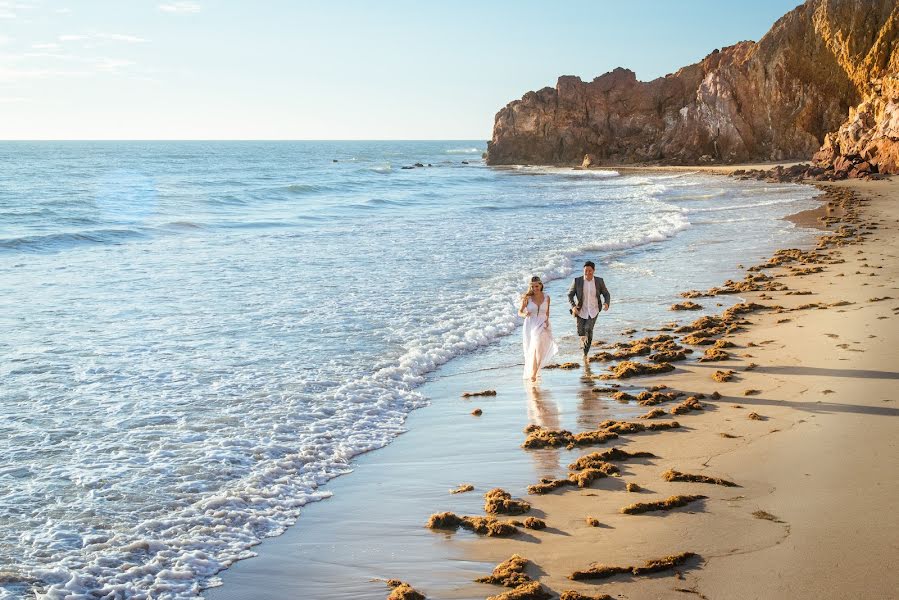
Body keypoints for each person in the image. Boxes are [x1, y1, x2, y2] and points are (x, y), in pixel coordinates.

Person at [567, 260, 611, 357]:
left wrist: (606, 303)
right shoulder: (577, 281)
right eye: (585, 270)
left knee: (588, 329)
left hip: (594, 309)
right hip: (580, 310)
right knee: (580, 331)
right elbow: (570, 295)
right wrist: (573, 307)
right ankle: (583, 342)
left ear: (594, 270)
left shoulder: (599, 281)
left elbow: (606, 293)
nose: (587, 273)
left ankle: (585, 352)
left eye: (590, 270)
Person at [519, 276, 559, 381]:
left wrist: (547, 322)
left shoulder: (547, 297)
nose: (535, 288)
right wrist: (525, 314)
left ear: (541, 285)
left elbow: (547, 312)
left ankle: (535, 373)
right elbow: (520, 312)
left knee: (540, 348)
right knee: (532, 348)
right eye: (532, 287)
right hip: (530, 325)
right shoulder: (527, 298)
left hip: (543, 324)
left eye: (536, 286)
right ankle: (533, 372)